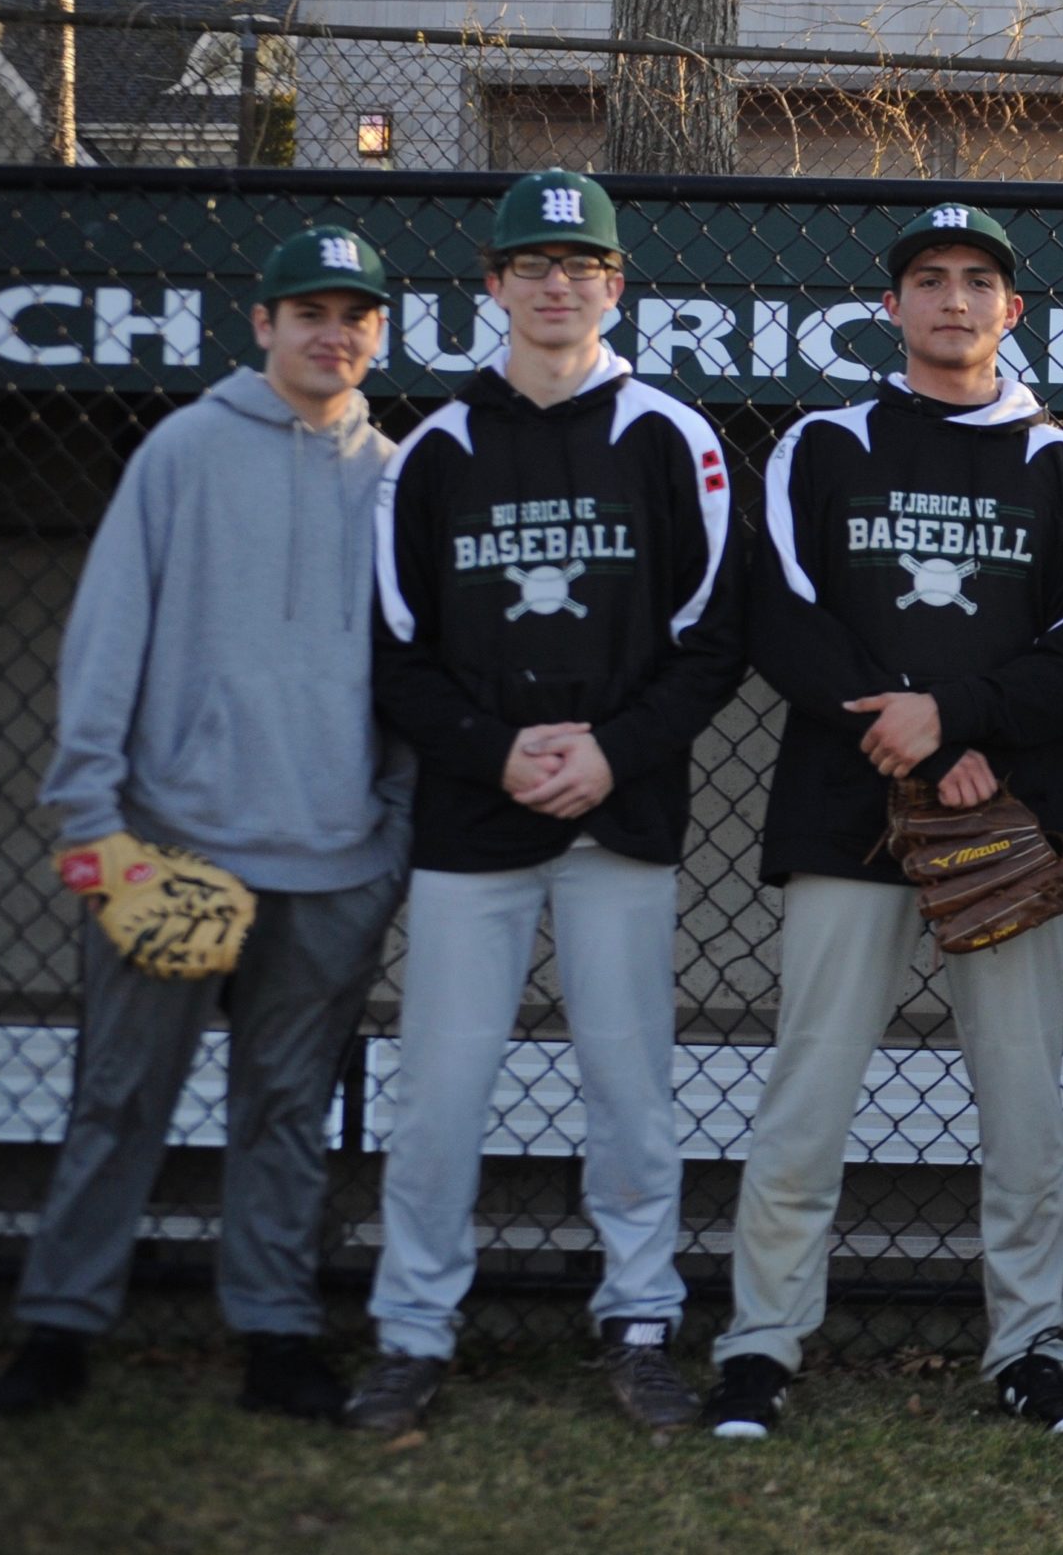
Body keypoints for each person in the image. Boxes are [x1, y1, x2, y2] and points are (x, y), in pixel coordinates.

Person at [703, 202, 1063, 1440]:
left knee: (1023, 1100)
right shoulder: (821, 446)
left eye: (978, 280)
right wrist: (886, 727)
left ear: (1013, 310)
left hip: (1004, 811)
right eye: (928, 280)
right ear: (889, 309)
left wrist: (950, 721)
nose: (953, 299)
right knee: (808, 1092)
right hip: (847, 804)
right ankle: (760, 1346)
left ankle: (1029, 1348)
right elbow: (780, 615)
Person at [0, 227, 409, 1421]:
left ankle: (275, 1336)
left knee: (285, 1111)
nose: (333, 333)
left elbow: (421, 687)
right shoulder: (183, 450)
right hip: (168, 847)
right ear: (259, 326)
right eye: (306, 310)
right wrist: (90, 827)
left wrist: (386, 852)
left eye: (354, 314)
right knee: (118, 1101)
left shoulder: (400, 479)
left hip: (332, 867)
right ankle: (56, 1335)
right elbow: (105, 644)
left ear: (379, 333)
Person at [347, 169, 745, 1435]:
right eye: (533, 265)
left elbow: (713, 634)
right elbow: (395, 649)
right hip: (474, 826)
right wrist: (495, 748)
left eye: (581, 265)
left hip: (616, 823)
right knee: (438, 1095)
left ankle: (638, 1324)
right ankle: (413, 1331)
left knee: (629, 1091)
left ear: (614, 286)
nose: (558, 282)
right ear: (493, 286)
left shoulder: (671, 436)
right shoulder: (433, 453)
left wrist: (615, 751)